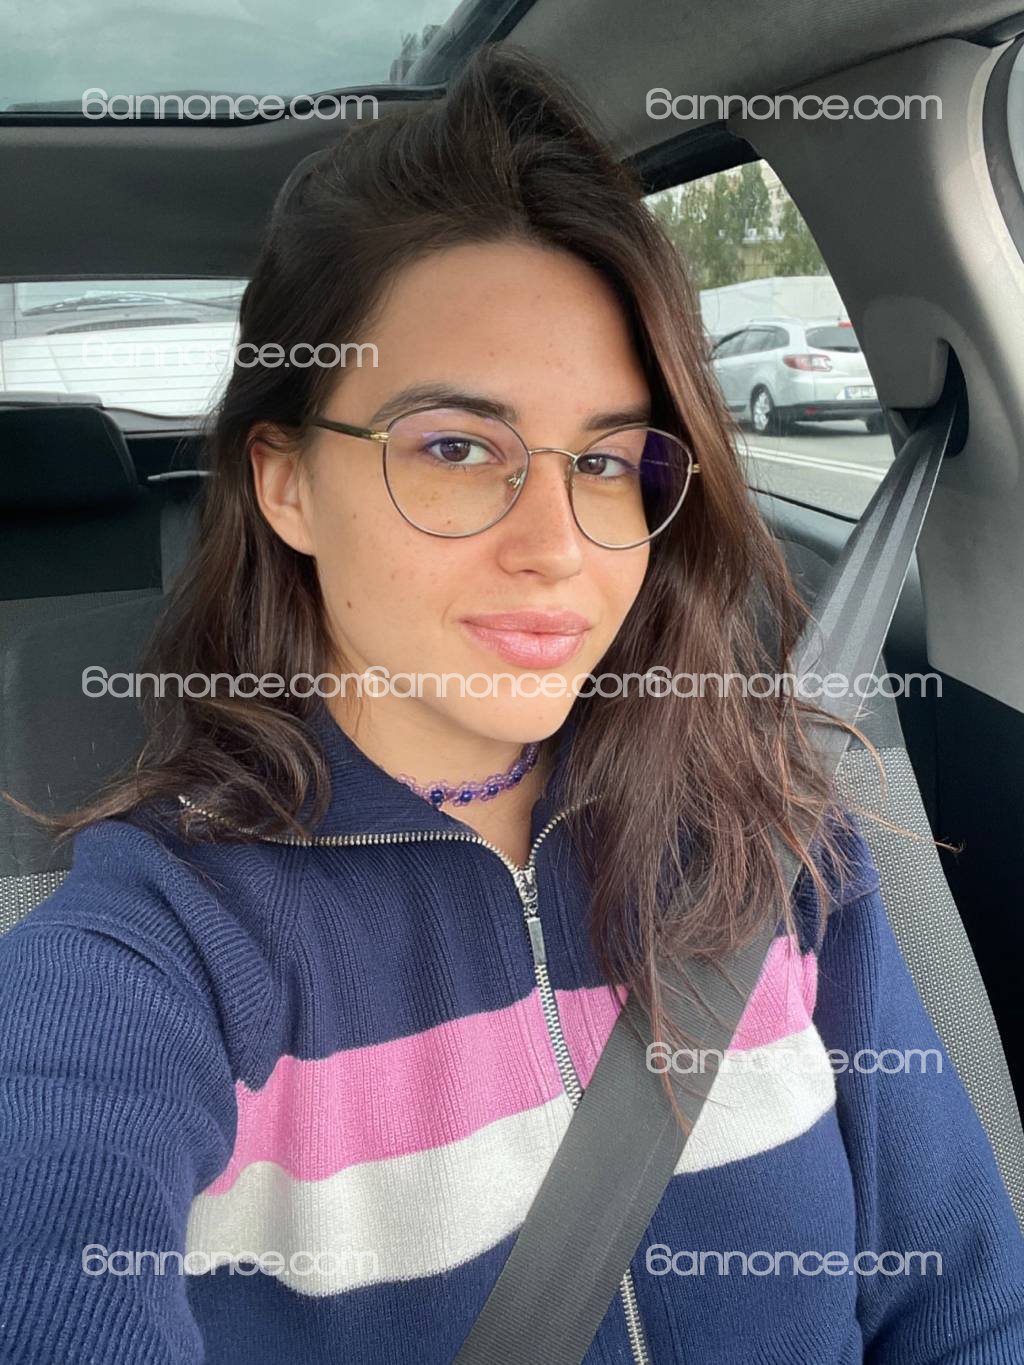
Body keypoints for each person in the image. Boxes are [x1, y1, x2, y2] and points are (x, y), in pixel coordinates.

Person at [1, 43, 1022, 1365]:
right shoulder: (158, 953)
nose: (557, 545)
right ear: (286, 482)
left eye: (605, 460)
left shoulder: (773, 835)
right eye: (455, 446)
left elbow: (967, 1306)